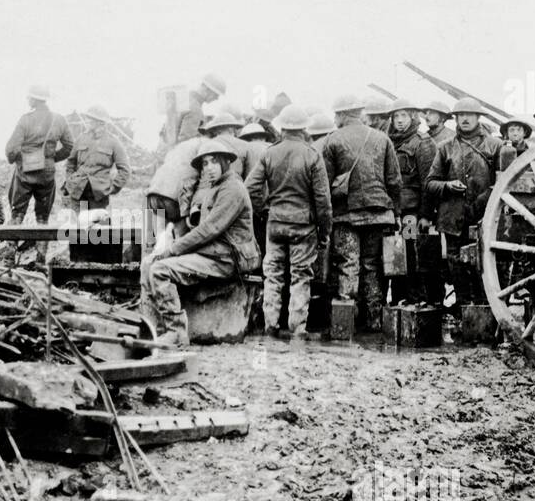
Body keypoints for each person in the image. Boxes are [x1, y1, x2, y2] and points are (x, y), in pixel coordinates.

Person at [141, 140, 260, 348]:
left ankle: (176, 332)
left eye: (214, 162)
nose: (208, 168)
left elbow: (209, 230)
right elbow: (200, 227)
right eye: (204, 164)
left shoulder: (233, 189)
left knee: (160, 269)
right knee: (147, 264)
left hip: (227, 258)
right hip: (213, 253)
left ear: (225, 162)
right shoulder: (215, 188)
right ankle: (152, 330)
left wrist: (172, 250)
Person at [246, 105, 332, 338]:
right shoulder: (312, 155)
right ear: (304, 128)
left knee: (272, 275)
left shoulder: (269, 153)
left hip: (275, 224)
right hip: (303, 226)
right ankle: (297, 328)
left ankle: (270, 325)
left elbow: (250, 188)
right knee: (300, 276)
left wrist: (264, 209)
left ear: (282, 127)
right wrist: (324, 232)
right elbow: (323, 200)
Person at [322, 94, 403, 329]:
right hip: (380, 214)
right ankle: (374, 320)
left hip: (346, 215)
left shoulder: (332, 140)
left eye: (336, 114)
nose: (335, 118)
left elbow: (325, 184)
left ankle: (345, 325)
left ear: (343, 115)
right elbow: (395, 181)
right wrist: (395, 212)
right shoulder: (382, 139)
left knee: (348, 264)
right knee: (372, 267)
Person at [424, 98, 502, 308]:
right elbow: (430, 183)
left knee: (484, 266)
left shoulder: (495, 146)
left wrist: (484, 200)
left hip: (485, 218)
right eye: (460, 115)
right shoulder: (445, 148)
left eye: (469, 115)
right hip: (453, 220)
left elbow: (504, 182)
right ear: (455, 119)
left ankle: (486, 312)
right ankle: (463, 313)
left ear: (478, 118)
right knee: (456, 266)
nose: (465, 119)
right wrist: (448, 186)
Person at [384, 100, 439, 305]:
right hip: (394, 211)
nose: (399, 121)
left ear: (413, 117)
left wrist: (425, 215)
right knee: (396, 257)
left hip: (412, 213)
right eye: (396, 116)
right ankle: (400, 298)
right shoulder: (389, 141)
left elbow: (428, 182)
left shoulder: (423, 143)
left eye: (404, 116)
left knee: (413, 257)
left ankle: (417, 299)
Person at [4, 86, 72, 226]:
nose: (28, 100)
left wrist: (16, 159)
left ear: (35, 100)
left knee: (17, 215)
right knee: (43, 218)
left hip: (25, 172)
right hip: (46, 174)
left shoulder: (26, 119)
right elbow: (69, 146)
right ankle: (41, 248)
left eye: (29, 97)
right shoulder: (59, 119)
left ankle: (12, 246)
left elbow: (11, 148)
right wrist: (51, 159)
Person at [63, 104, 129, 212]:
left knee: (99, 227)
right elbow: (71, 162)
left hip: (99, 195)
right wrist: (70, 180)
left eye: (91, 119)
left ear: (100, 122)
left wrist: (111, 188)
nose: (88, 121)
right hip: (78, 191)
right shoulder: (81, 138)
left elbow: (125, 170)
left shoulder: (113, 142)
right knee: (77, 226)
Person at [171, 74, 225, 145]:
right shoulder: (195, 109)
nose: (217, 98)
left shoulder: (185, 99)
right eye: (216, 94)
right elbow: (186, 142)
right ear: (207, 90)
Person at [196, 110, 252, 179]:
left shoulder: (206, 145)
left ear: (215, 130)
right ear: (231, 129)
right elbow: (250, 175)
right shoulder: (246, 145)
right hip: (237, 185)